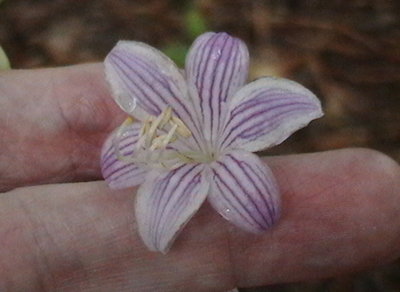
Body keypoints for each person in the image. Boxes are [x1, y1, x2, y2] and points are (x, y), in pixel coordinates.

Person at [0, 63, 399, 291]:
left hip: (229, 151)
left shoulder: (245, 123)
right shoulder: (140, 141)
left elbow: (259, 208)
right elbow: (120, 165)